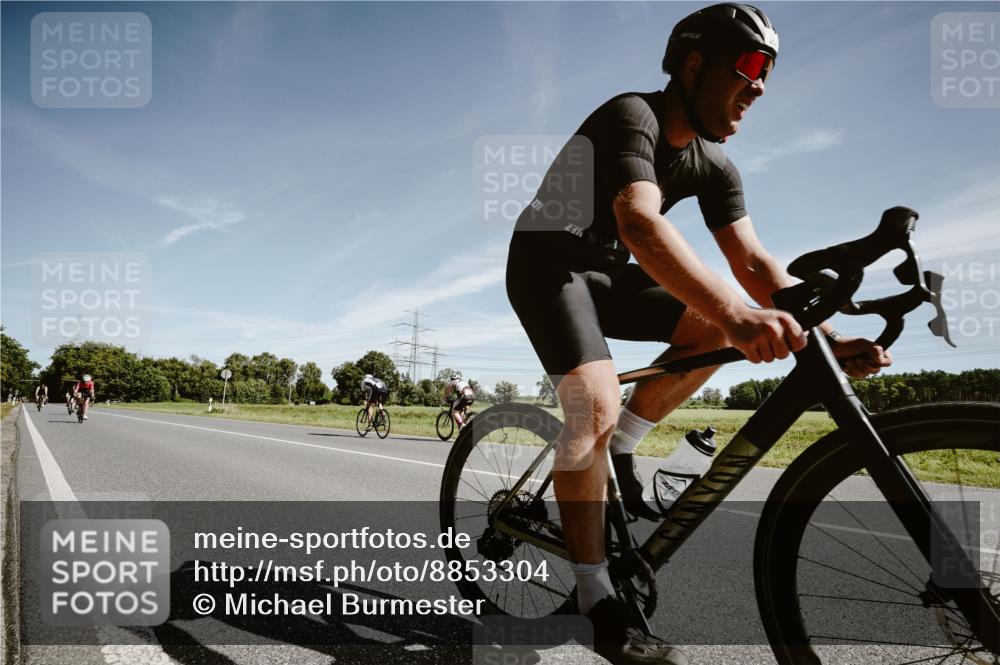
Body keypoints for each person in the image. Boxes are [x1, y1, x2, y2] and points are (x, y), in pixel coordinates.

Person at [505, 4, 891, 663]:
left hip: (607, 272)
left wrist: (823, 334)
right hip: (548, 264)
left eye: (770, 71)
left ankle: (621, 447)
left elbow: (756, 264)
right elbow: (639, 223)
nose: (761, 85)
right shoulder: (634, 116)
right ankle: (597, 602)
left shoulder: (715, 166)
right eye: (749, 65)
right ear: (693, 64)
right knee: (593, 400)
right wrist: (742, 317)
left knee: (711, 326)